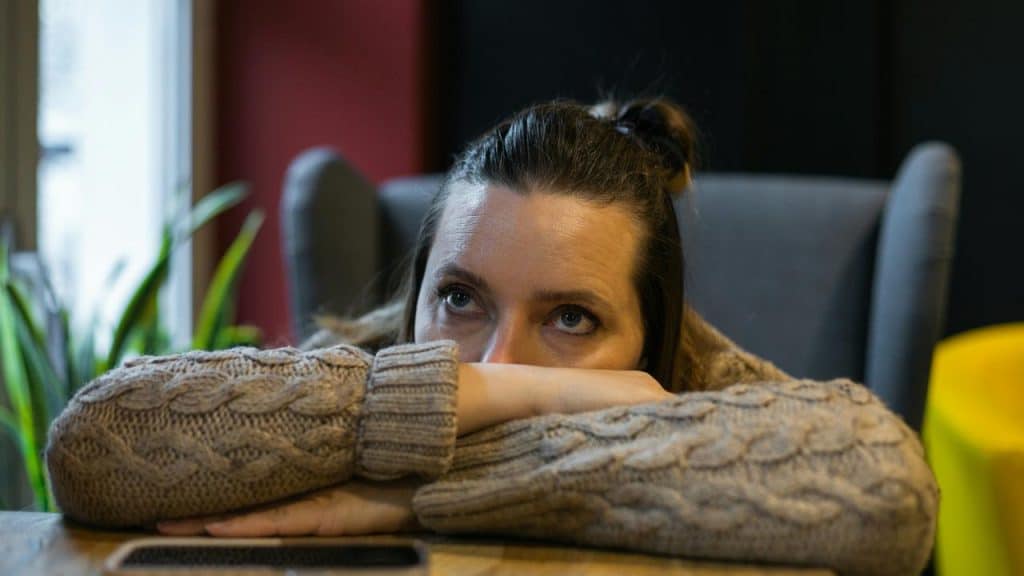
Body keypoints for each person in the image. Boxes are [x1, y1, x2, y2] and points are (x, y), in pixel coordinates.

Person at [45, 98, 937, 575]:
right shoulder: (370, 368)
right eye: (463, 298)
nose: (495, 364)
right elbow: (94, 446)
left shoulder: (698, 388)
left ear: (652, 340)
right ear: (421, 288)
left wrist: (413, 492)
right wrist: (533, 398)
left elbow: (891, 499)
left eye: (571, 319)